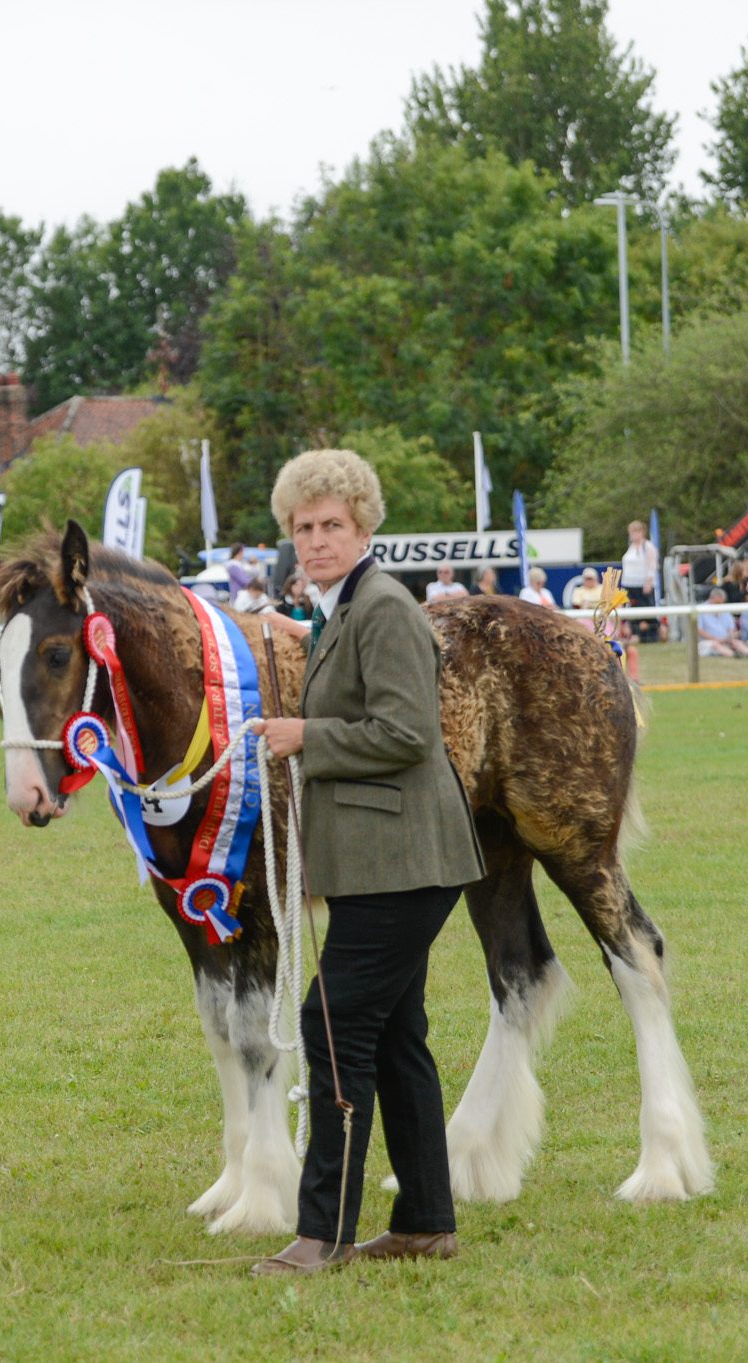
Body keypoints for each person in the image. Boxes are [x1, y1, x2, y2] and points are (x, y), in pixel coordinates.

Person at [252, 448, 485, 1276]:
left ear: (364, 527)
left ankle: (325, 1233)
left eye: (331, 525)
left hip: (404, 861)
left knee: (333, 1025)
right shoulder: (344, 607)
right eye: (303, 527)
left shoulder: (383, 606)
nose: (315, 540)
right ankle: (425, 1220)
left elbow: (407, 732)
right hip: (382, 863)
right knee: (393, 1035)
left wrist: (304, 736)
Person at [621, 521, 661, 641]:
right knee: (632, 611)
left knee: (647, 612)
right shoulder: (631, 547)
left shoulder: (648, 546)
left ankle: (651, 635)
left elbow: (652, 565)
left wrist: (648, 582)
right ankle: (635, 634)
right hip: (629, 584)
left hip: (642, 585)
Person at [698, 586, 748, 656]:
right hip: (706, 642)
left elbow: (731, 628)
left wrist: (731, 637)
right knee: (715, 644)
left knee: (737, 642)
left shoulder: (724, 610)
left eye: (721, 603)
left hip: (725, 640)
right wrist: (716, 639)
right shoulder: (700, 610)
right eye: (717, 603)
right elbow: (698, 630)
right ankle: (734, 655)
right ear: (711, 599)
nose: (719, 605)